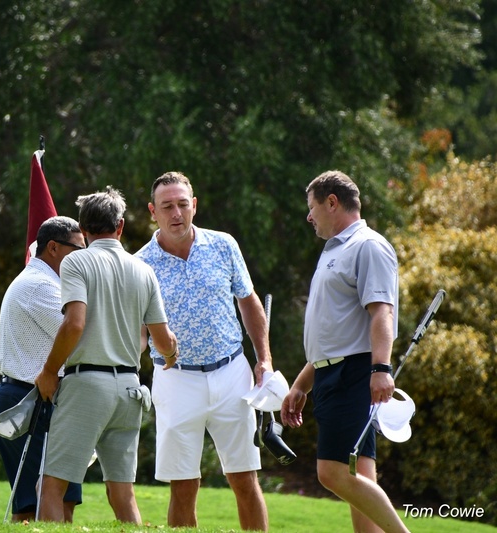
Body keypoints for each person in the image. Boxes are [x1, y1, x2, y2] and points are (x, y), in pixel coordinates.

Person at [135, 171, 272, 531]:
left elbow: (249, 302)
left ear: (194, 205)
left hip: (232, 374)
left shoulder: (223, 245)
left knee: (244, 479)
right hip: (175, 379)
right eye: (167, 206)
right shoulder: (140, 264)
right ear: (153, 211)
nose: (176, 213)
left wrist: (264, 359)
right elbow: (137, 333)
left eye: (183, 204)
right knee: (183, 487)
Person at [35, 186, 179, 524]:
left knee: (50, 487)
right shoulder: (143, 270)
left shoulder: (76, 262)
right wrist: (172, 354)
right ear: (121, 225)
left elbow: (74, 324)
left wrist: (49, 371)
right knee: (122, 494)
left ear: (83, 229)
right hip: (130, 390)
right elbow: (162, 340)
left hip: (87, 386)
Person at [280, 170, 408, 533]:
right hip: (331, 374)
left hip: (354, 374)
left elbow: (381, 312)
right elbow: (333, 334)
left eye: (312, 207)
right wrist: (301, 385)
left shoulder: (367, 246)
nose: (309, 216)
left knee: (332, 472)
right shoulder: (333, 250)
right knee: (358, 472)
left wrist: (381, 368)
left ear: (332, 202)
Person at [0, 216, 86, 522]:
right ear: (54, 248)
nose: (84, 257)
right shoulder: (40, 286)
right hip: (29, 400)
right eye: (79, 249)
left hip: (42, 400)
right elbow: (80, 334)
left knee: (62, 502)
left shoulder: (48, 282)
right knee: (33, 507)